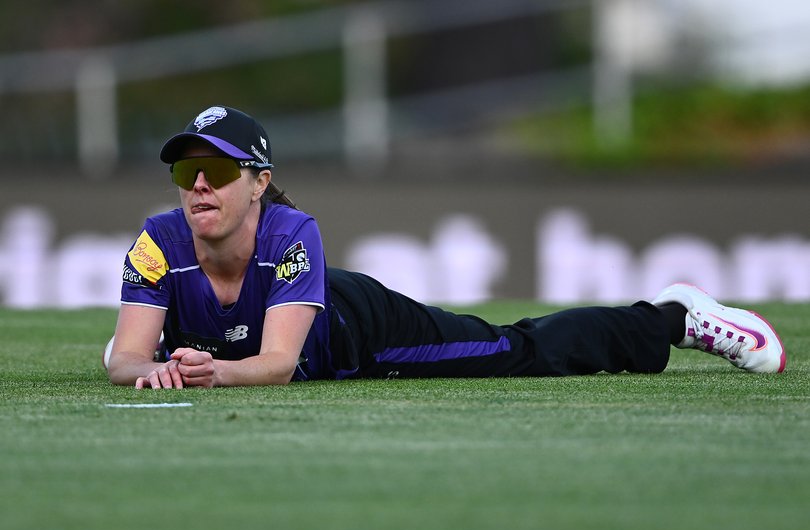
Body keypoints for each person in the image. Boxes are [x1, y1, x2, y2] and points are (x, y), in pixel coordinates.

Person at [105, 105, 787, 389]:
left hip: (353, 331)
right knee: (165, 347)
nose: (198, 184)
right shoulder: (159, 241)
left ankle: (672, 318)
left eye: (219, 170)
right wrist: (150, 368)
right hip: (249, 344)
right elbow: (125, 359)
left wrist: (207, 372)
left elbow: (280, 365)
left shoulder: (291, 234)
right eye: (182, 171)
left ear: (259, 184)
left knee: (515, 352)